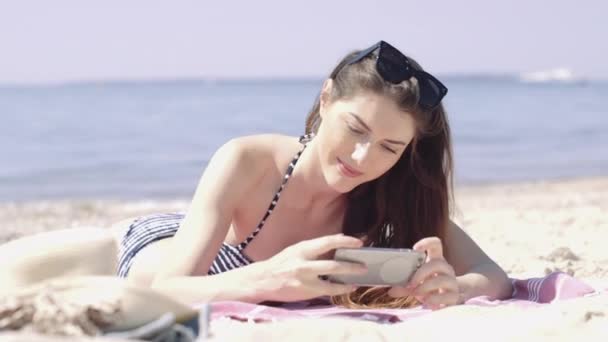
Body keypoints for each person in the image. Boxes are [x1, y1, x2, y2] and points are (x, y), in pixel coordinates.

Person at [115, 40, 513, 310]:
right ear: (325, 99)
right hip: (180, 245)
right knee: (121, 267)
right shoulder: (247, 160)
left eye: (389, 148)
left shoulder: (394, 197)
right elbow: (168, 290)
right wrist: (268, 279)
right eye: (355, 129)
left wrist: (455, 288)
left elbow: (494, 276)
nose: (362, 156)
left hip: (224, 258)